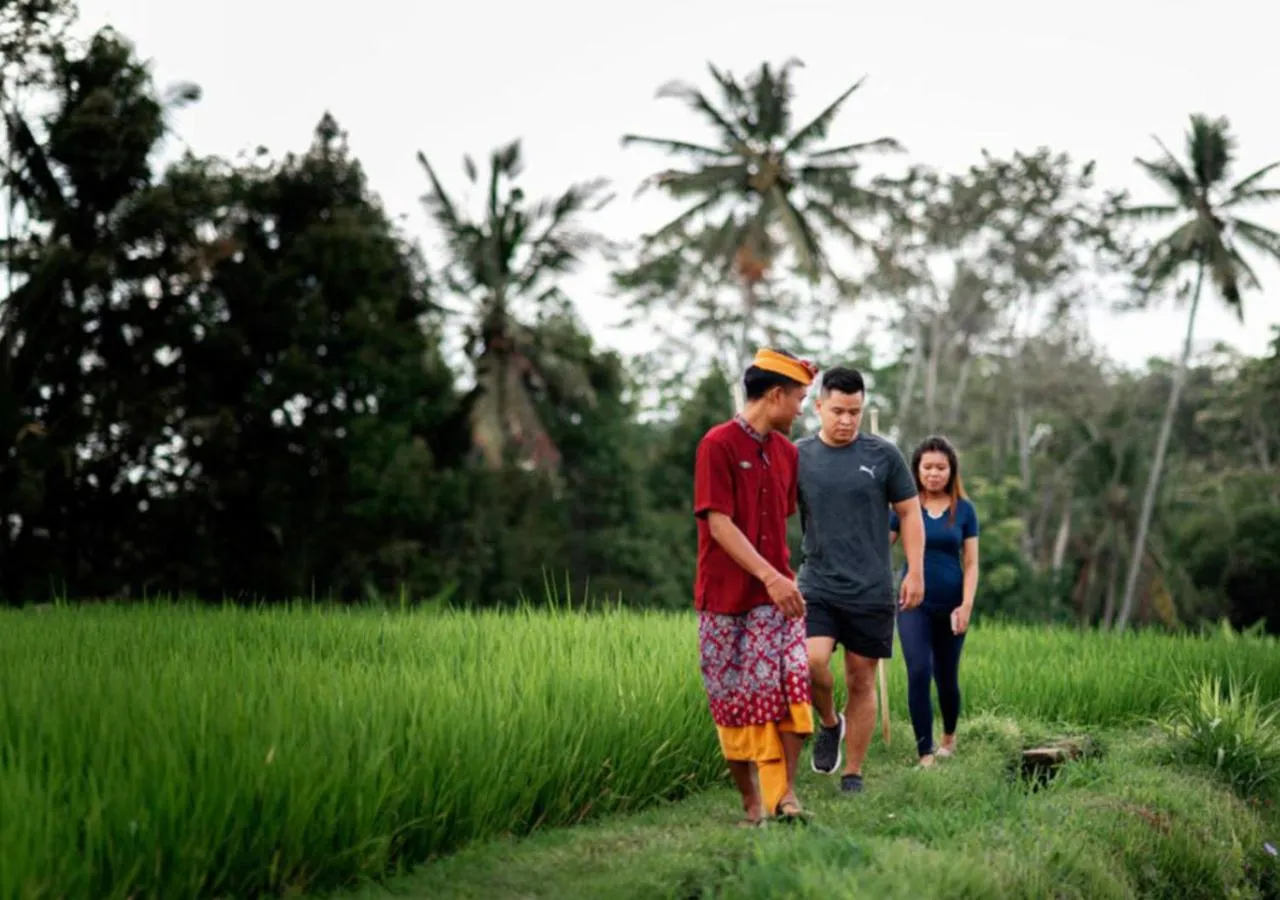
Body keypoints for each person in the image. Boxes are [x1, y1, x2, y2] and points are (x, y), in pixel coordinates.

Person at [693, 346, 820, 826]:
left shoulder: (788, 453)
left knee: (790, 689)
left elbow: (783, 521)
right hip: (725, 599)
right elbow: (719, 523)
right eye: (800, 399)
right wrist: (767, 576)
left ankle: (784, 796)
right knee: (733, 704)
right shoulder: (717, 445)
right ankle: (752, 804)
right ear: (775, 394)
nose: (801, 408)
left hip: (779, 599)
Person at [796, 366, 925, 794]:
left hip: (871, 587)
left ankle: (852, 772)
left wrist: (915, 571)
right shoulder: (798, 456)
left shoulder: (883, 455)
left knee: (861, 678)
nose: (847, 420)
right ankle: (830, 722)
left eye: (854, 411)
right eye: (838, 411)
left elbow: (909, 513)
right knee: (812, 662)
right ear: (818, 408)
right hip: (817, 582)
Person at [889, 435, 981, 768]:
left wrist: (966, 605)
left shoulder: (965, 511)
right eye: (927, 467)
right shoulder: (904, 507)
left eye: (941, 467)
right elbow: (880, 543)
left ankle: (949, 739)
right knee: (918, 670)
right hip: (913, 603)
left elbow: (971, 563)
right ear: (916, 470)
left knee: (946, 677)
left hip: (952, 604)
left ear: (951, 470)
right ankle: (924, 752)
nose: (933, 473)